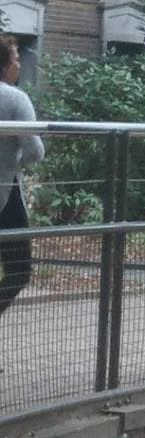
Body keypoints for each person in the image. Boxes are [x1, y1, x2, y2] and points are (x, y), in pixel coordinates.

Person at [0, 35, 45, 335]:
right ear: (4, 66)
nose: (18, 66)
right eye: (15, 60)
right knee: (19, 269)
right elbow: (34, 152)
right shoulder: (15, 98)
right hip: (4, 194)